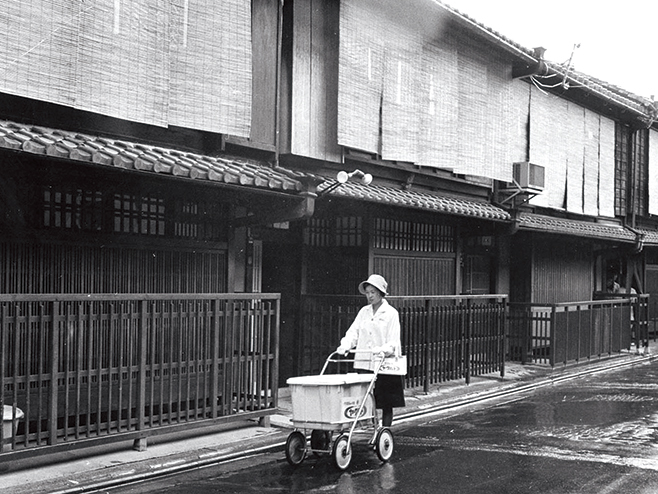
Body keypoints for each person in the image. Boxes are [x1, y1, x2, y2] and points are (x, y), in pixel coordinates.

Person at [336, 274, 405, 427]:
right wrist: (345, 345)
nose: (370, 296)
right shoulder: (364, 312)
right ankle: (373, 427)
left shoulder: (391, 313)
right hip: (364, 361)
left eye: (373, 292)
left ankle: (385, 430)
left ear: (381, 293)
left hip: (384, 363)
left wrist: (383, 350)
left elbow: (393, 340)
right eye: (367, 292)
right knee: (366, 397)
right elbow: (354, 332)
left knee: (386, 400)